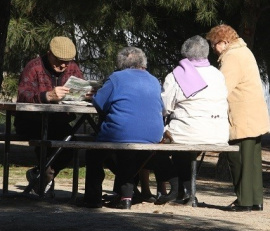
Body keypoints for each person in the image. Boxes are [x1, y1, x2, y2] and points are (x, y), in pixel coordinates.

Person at [83, 46, 170, 209]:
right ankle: (125, 198)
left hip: (120, 133)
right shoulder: (153, 80)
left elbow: (100, 104)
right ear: (143, 62)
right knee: (128, 154)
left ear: (120, 63)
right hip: (153, 136)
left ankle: (92, 199)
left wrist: (94, 95)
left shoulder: (116, 78)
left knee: (94, 153)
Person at [206, 24, 270, 212]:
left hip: (242, 116)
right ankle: (255, 200)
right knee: (252, 161)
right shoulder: (244, 51)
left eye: (213, 44)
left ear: (223, 41)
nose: (213, 49)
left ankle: (244, 201)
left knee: (238, 158)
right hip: (253, 115)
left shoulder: (232, 57)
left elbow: (223, 87)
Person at [14, 36, 88, 197]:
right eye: (60, 60)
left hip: (60, 121)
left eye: (67, 61)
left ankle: (40, 175)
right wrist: (46, 96)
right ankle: (44, 177)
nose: (63, 65)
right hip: (31, 122)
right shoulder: (33, 67)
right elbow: (23, 95)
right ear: (49, 54)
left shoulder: (73, 68)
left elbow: (81, 87)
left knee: (71, 144)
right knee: (45, 143)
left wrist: (87, 94)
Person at [160, 35, 229, 204]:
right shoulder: (217, 74)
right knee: (182, 148)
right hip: (218, 132)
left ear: (184, 53)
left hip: (188, 131)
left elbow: (164, 107)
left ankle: (181, 189)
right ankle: (187, 192)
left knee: (160, 143)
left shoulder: (176, 75)